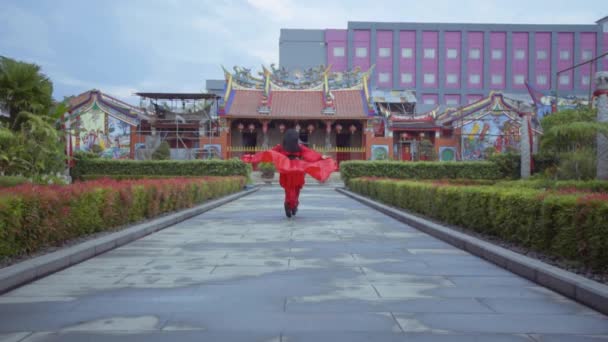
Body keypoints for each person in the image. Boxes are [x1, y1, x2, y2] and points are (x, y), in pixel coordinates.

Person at [242, 129, 337, 218]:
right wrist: (322, 157)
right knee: (297, 188)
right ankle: (294, 205)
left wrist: (253, 157)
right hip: (298, 169)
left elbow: (269, 153)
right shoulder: (299, 147)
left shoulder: (281, 147)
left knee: (288, 189)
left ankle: (288, 204)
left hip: (286, 168)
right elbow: (311, 155)